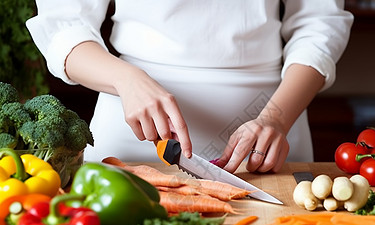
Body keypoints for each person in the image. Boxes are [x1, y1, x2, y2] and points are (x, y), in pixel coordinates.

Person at [26, 1, 353, 174]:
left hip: (269, 137)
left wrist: (275, 120)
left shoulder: (275, 123)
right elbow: (64, 25)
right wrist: (126, 79)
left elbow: (320, 21)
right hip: (133, 132)